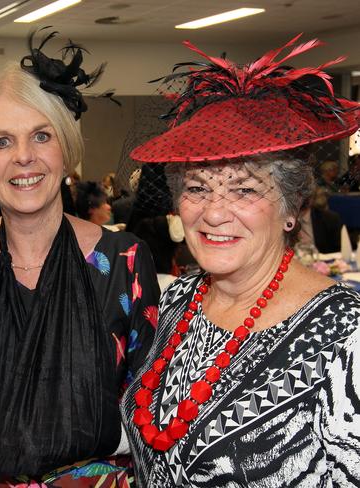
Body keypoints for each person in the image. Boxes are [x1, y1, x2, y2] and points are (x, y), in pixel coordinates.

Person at [122, 36, 360, 486]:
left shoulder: (347, 336)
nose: (213, 211)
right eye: (197, 188)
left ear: (291, 208)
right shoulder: (180, 300)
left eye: (245, 189)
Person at [0, 30, 159, 486]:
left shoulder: (124, 260)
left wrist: (57, 431)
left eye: (41, 136)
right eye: (0, 142)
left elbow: (154, 411)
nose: (23, 157)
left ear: (66, 150)